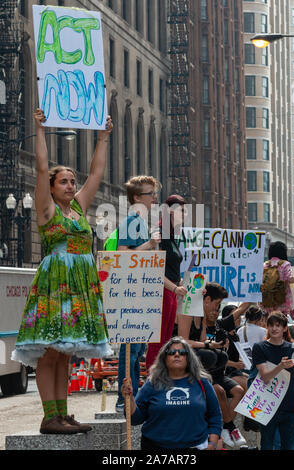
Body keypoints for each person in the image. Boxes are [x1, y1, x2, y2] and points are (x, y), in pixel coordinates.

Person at [11, 108, 113, 434]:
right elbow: (42, 168)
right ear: (52, 188)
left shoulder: (80, 209)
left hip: (79, 286)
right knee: (51, 352)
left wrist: (103, 138)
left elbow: (96, 173)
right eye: (64, 182)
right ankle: (48, 417)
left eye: (72, 181)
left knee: (66, 354)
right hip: (56, 284)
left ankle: (63, 415)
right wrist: (39, 128)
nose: (70, 185)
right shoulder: (46, 209)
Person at [177, 282, 250, 448]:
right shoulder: (186, 311)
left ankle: (227, 426)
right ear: (206, 299)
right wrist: (210, 346)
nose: (215, 310)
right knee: (218, 386)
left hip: (213, 370)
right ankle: (228, 426)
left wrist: (213, 345)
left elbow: (202, 341)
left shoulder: (204, 318)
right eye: (216, 305)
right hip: (193, 365)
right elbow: (184, 342)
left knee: (221, 357)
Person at [121, 336, 222, 450]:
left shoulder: (202, 382)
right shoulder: (152, 383)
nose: (177, 355)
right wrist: (129, 399)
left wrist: (212, 445)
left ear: (189, 358)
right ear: (164, 358)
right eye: (172, 352)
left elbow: (215, 417)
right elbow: (135, 419)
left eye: (182, 352)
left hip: (195, 446)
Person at [115, 175, 161, 412]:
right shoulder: (132, 221)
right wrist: (150, 245)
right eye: (150, 194)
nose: (154, 198)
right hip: (131, 292)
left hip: (140, 290)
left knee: (136, 350)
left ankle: (130, 398)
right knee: (131, 349)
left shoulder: (140, 222)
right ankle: (123, 398)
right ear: (136, 197)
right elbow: (123, 255)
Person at [145, 194, 188, 371]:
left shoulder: (172, 235)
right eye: (182, 211)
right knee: (157, 340)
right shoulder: (159, 233)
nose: (185, 215)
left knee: (165, 340)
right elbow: (153, 268)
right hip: (160, 291)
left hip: (170, 292)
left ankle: (160, 377)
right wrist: (174, 288)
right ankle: (152, 379)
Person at [251, 311, 294, 450]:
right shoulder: (259, 347)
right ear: (267, 327)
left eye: (278, 325)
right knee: (267, 445)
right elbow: (265, 376)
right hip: (268, 406)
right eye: (271, 325)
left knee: (288, 446)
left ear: (285, 328)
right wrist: (281, 366)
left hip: (289, 404)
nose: (274, 328)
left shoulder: (293, 348)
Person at [261, 241, 294, 316]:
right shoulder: (285, 264)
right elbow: (290, 279)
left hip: (267, 302)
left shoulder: (265, 265)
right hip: (282, 302)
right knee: (280, 323)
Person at [221, 305, 248, 393]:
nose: (239, 318)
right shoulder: (222, 335)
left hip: (236, 371)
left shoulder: (235, 335)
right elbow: (219, 359)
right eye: (235, 315)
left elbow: (234, 355)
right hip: (226, 373)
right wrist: (235, 364)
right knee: (250, 387)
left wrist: (243, 362)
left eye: (240, 315)